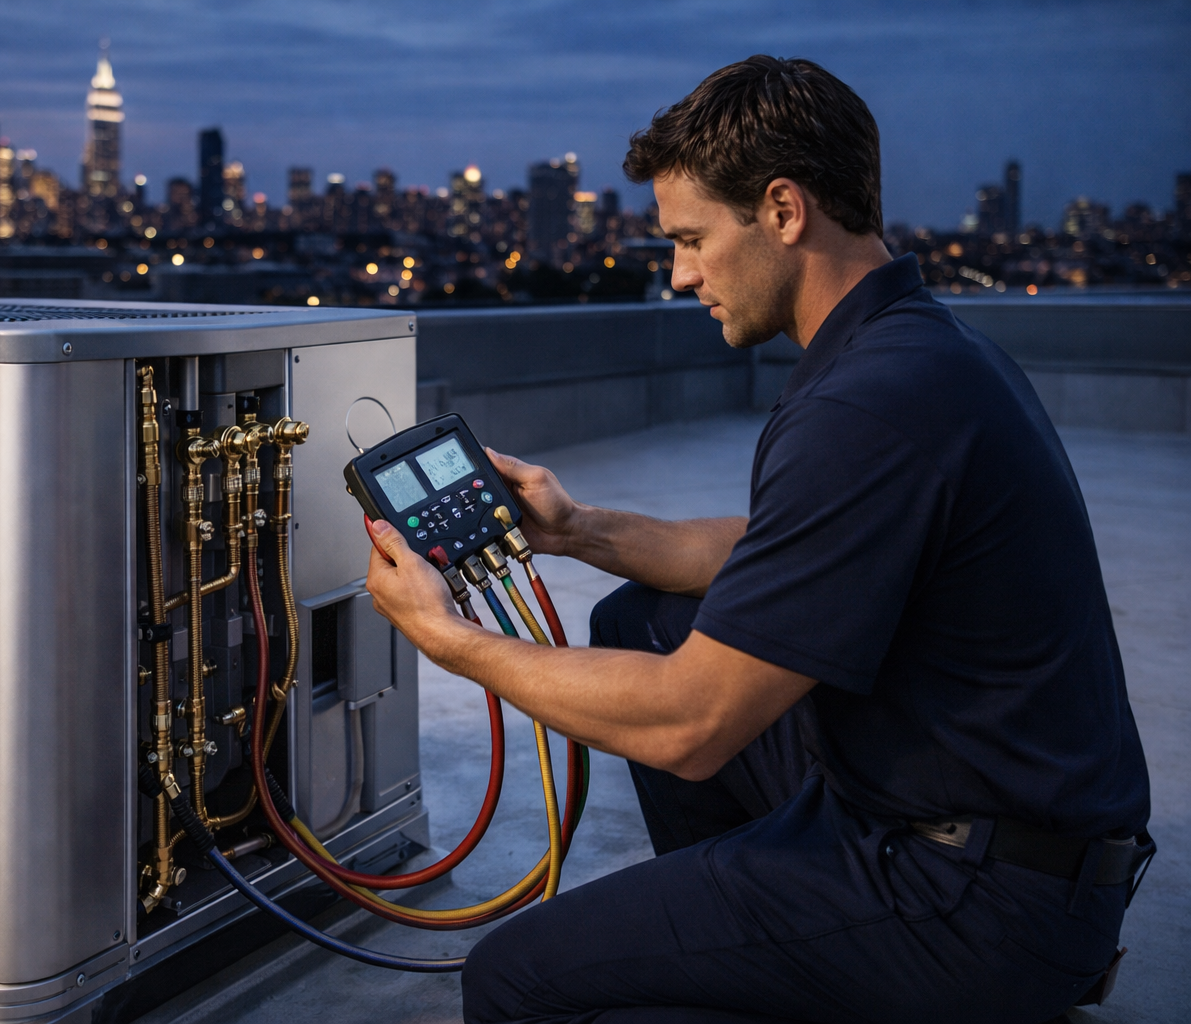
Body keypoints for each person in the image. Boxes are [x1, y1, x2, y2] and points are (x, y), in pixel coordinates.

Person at [361, 55, 1153, 1024]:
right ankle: (748, 939)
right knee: (643, 618)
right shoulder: (921, 350)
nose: (682, 273)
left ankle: (815, 963)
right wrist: (579, 529)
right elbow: (762, 554)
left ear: (782, 210)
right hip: (982, 836)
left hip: (972, 897)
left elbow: (690, 725)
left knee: (519, 980)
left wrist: (450, 641)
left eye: (692, 238)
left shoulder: (871, 404)